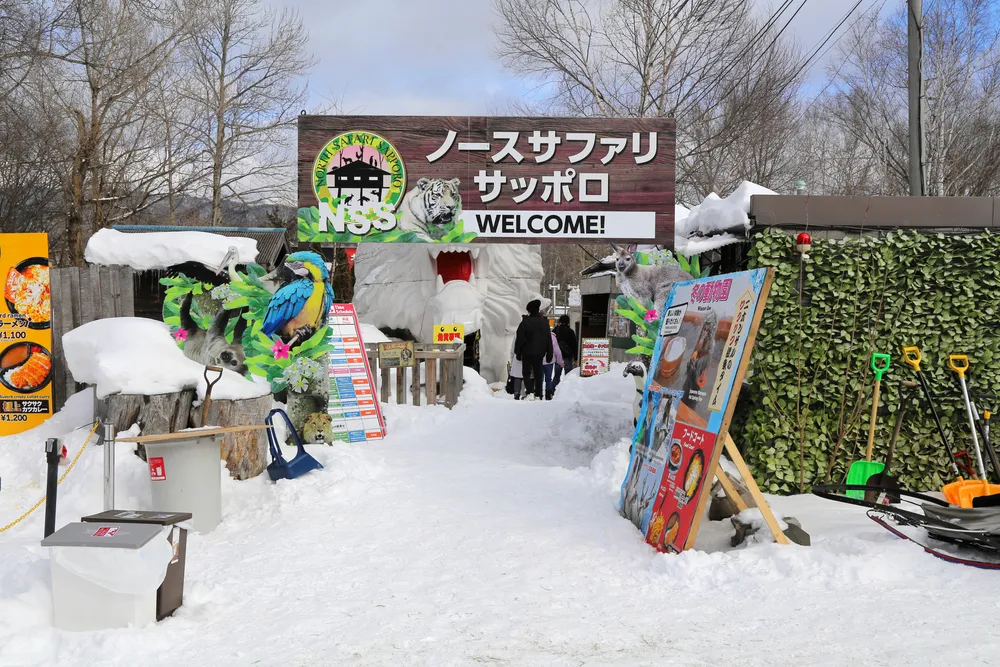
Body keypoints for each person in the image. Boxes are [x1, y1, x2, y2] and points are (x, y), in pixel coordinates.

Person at [514, 299, 552, 401]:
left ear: (529, 311)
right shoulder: (544, 323)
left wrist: (518, 352)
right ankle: (538, 394)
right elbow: (549, 339)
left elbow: (520, 339)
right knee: (538, 373)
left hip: (526, 352)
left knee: (526, 373)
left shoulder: (525, 323)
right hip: (540, 353)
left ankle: (530, 392)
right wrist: (549, 354)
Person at [542, 330, 564, 400]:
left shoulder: (537, 334)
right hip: (549, 361)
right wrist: (560, 361)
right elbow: (556, 350)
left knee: (539, 379)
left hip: (539, 360)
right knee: (548, 379)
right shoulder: (552, 337)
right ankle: (548, 395)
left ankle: (538, 394)